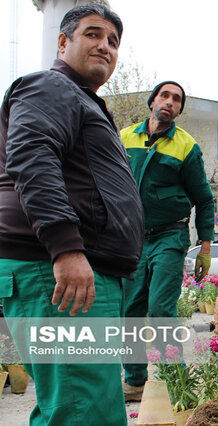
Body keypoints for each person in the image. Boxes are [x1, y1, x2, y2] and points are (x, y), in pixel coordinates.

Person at [0, 4, 143, 425]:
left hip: (77, 271)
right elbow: (31, 158)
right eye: (93, 34)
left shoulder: (81, 100)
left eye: (114, 41)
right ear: (63, 42)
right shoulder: (50, 86)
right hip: (60, 270)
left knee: (78, 404)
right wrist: (65, 248)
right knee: (84, 412)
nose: (105, 46)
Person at [120, 81, 215, 400]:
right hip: (132, 237)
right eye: (165, 95)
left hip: (170, 235)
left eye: (177, 99)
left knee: (161, 309)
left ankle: (178, 384)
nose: (170, 102)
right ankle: (135, 381)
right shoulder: (124, 137)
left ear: (179, 110)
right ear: (152, 101)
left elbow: (204, 198)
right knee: (130, 311)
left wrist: (205, 245)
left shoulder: (186, 147)